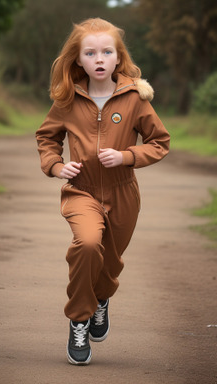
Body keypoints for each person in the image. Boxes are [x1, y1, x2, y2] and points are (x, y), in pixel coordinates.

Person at [36, 17, 170, 365]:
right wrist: (55, 165)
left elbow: (160, 142)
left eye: (106, 51)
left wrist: (127, 156)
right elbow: (47, 138)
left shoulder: (135, 99)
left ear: (117, 58)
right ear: (78, 60)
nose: (99, 58)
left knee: (109, 264)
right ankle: (80, 319)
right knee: (88, 244)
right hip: (80, 192)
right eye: (90, 52)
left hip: (123, 193)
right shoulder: (66, 100)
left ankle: (101, 298)